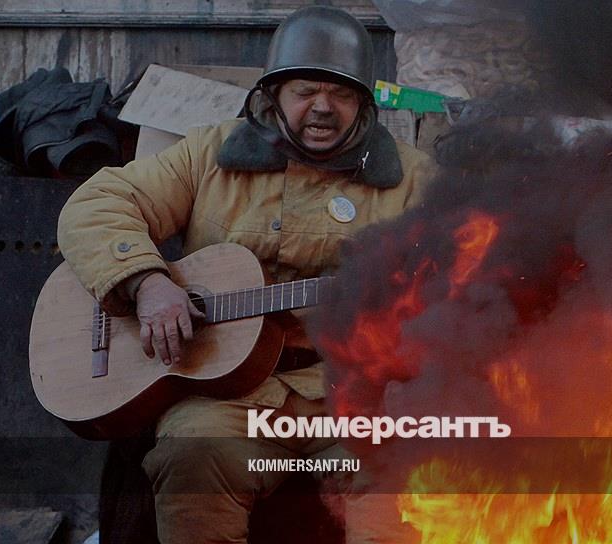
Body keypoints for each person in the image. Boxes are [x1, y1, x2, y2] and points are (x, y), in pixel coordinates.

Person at [57, 6, 433, 543]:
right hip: (225, 395)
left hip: (357, 395)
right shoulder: (210, 153)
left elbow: (475, 259)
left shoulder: (415, 180)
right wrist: (146, 282)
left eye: (341, 94)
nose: (322, 107)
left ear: (364, 104)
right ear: (273, 94)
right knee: (192, 460)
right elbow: (98, 204)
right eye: (305, 90)